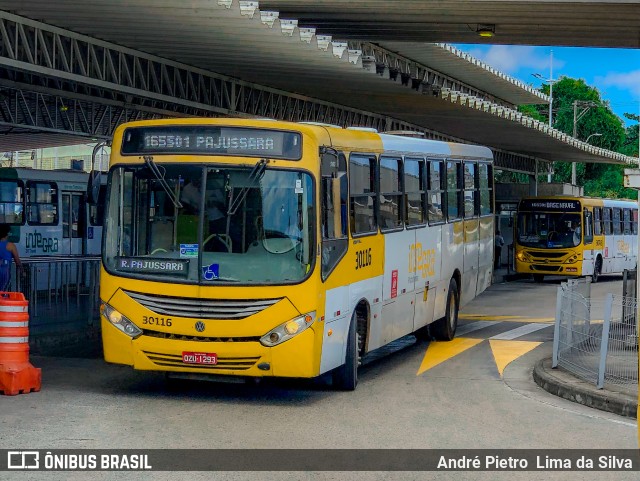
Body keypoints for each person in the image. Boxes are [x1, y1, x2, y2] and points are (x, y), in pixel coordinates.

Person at [0, 224, 21, 291]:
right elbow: (17, 260)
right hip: (5, 269)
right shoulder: (11, 245)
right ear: (7, 233)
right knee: (4, 289)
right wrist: (22, 269)